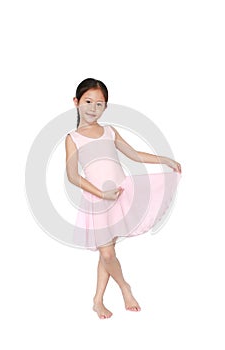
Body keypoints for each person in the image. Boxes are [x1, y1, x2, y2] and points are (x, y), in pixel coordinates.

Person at [65, 78, 182, 319]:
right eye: (88, 101)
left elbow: (134, 154)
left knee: (106, 252)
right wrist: (101, 193)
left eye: (99, 104)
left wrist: (165, 160)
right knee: (107, 254)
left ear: (105, 106)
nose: (93, 108)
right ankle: (125, 287)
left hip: (120, 195)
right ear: (76, 102)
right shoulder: (73, 138)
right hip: (98, 201)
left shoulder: (109, 131)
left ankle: (97, 300)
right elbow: (72, 175)